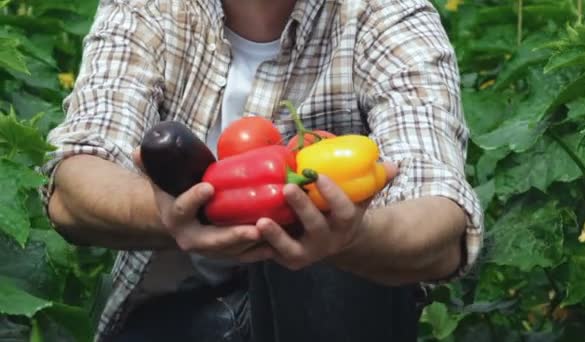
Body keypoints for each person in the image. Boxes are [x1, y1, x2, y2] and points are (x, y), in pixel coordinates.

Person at [41, 0, 484, 341]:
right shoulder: (151, 8)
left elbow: (440, 210)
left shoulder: (387, 14)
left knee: (320, 241)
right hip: (177, 312)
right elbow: (75, 182)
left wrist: (352, 236)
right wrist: (173, 213)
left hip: (335, 313)